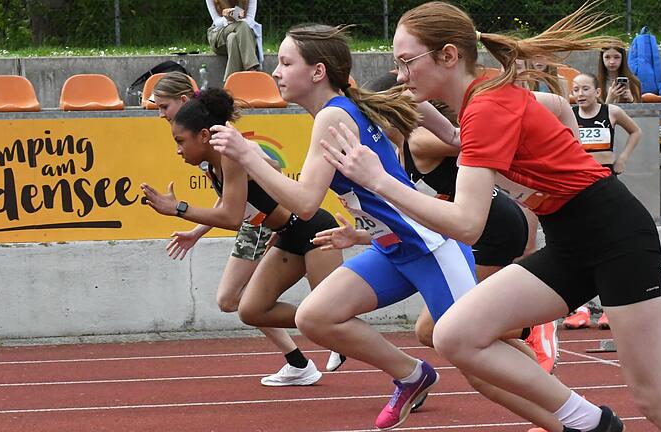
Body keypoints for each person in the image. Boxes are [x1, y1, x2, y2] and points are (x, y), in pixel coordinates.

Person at [316, 2, 661, 432]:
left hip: (615, 236)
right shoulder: (485, 92)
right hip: (569, 239)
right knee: (454, 334)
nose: (399, 75)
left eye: (406, 62)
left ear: (449, 56)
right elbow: (472, 134)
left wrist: (379, 180)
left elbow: (468, 223)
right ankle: (588, 423)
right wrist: (423, 112)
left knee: (657, 401)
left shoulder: (486, 107)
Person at [208, 24, 586, 432]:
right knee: (316, 316)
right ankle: (411, 375)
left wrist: (248, 155)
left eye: (285, 62)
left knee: (481, 361)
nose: (276, 72)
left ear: (318, 72)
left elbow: (304, 202)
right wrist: (365, 231)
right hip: (392, 248)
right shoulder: (352, 106)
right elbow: (406, 127)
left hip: (430, 248)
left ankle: (570, 419)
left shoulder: (334, 115)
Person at [145, 81, 344, 385]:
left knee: (332, 314)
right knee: (251, 309)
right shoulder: (212, 161)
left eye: (180, 141)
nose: (177, 149)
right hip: (286, 235)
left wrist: (179, 209)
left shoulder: (230, 152)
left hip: (314, 230)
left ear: (203, 134)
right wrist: (196, 230)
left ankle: (400, 366)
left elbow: (233, 216)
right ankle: (322, 327)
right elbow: (233, 205)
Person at [364, 72, 559, 380]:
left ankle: (531, 329)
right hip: (467, 230)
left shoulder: (421, 142)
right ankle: (536, 370)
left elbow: (476, 139)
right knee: (441, 329)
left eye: (373, 116)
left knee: (438, 328)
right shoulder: (398, 151)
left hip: (493, 228)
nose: (369, 127)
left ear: (395, 110)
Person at [562, 72, 643, 331]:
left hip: (606, 182)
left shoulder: (612, 112)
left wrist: (623, 159)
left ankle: (610, 309)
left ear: (598, 92)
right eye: (576, 89)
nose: (581, 93)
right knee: (581, 247)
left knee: (611, 245)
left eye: (586, 88)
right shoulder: (568, 115)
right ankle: (582, 309)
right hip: (579, 186)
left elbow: (636, 132)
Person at [206, 0, 264, 83]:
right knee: (241, 26)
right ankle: (252, 70)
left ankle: (230, 84)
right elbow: (217, 21)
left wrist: (236, 16)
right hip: (219, 34)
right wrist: (228, 18)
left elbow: (250, 21)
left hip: (243, 35)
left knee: (232, 38)